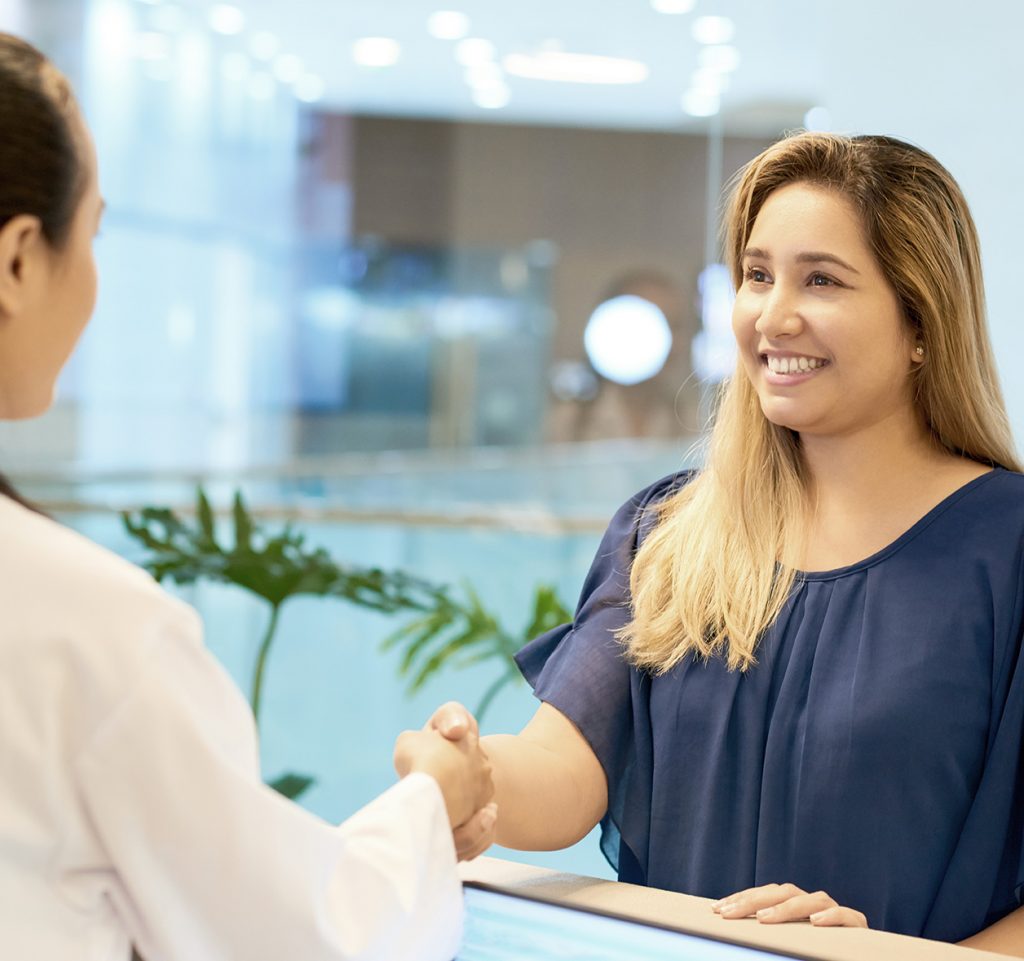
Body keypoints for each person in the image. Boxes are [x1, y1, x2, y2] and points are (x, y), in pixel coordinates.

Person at [425, 132, 1024, 955]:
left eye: (821, 279)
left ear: (922, 320)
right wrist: (470, 779)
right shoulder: (668, 532)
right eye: (756, 274)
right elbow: (566, 770)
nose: (772, 316)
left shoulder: (1010, 552)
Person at [0, 33, 495, 961]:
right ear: (19, 261)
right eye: (93, 231)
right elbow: (311, 939)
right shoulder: (89, 631)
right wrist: (433, 795)